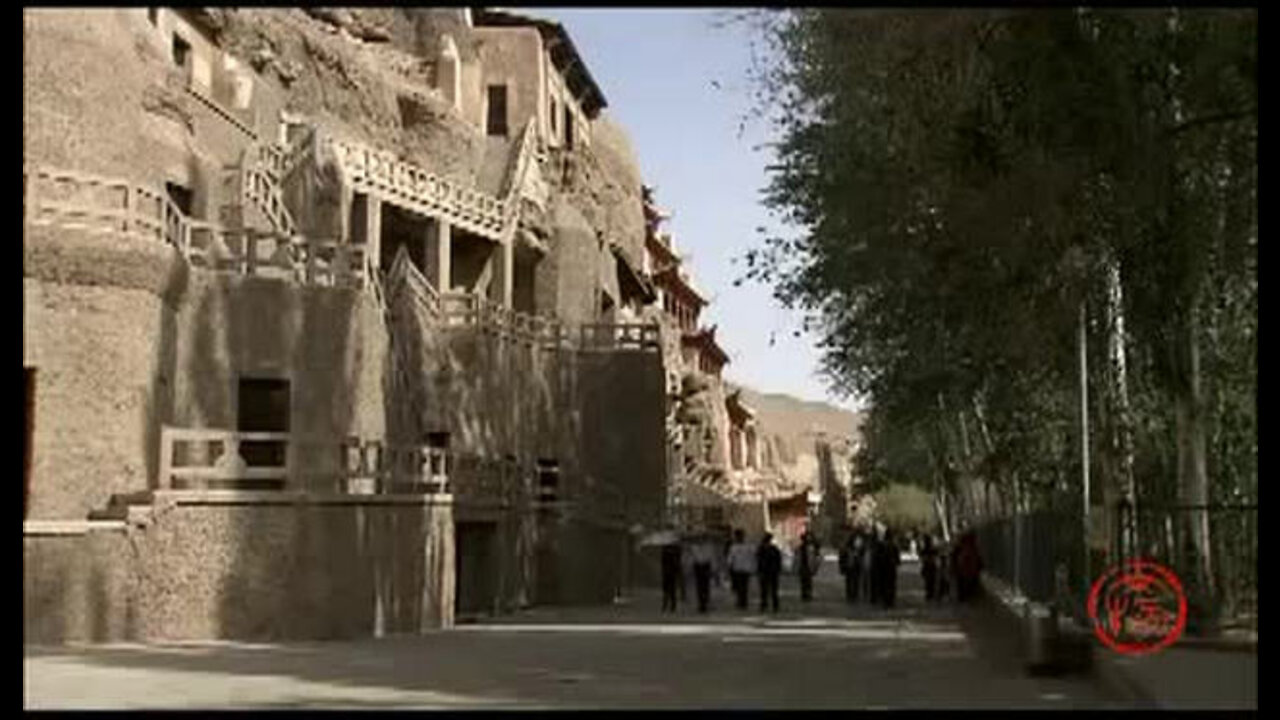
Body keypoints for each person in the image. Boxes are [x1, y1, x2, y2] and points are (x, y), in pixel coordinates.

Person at [727, 529, 756, 610]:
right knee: (743, 586)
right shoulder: (747, 546)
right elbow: (753, 556)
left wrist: (729, 566)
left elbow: (730, 559)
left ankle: (741, 601)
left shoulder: (734, 547)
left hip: (739, 569)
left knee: (740, 586)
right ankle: (743, 601)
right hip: (743, 569)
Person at [690, 531, 717, 613]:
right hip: (698, 566)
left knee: (705, 586)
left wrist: (713, 568)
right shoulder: (694, 547)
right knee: (699, 586)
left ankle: (704, 603)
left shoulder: (709, 547)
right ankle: (701, 603)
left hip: (706, 566)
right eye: (700, 538)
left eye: (703, 538)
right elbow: (692, 558)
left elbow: (712, 558)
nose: (701, 540)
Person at [756, 532, 782, 613]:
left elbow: (758, 560)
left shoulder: (762, 549)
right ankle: (773, 605)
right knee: (771, 590)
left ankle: (766, 605)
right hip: (771, 571)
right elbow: (778, 560)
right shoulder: (773, 549)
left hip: (766, 571)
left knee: (766, 590)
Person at [840, 532, 865, 603]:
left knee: (851, 580)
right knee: (854, 580)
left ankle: (851, 594)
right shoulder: (850, 549)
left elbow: (842, 558)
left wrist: (842, 567)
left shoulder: (847, 548)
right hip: (853, 566)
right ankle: (853, 594)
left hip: (851, 566)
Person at [797, 530, 821, 602]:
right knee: (805, 581)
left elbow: (815, 557)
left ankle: (807, 594)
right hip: (804, 566)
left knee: (808, 581)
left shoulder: (811, 547)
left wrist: (814, 566)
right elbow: (799, 557)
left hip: (808, 566)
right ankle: (805, 594)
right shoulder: (802, 547)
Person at [660, 535, 682, 613]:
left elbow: (677, 560)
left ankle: (670, 604)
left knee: (670, 588)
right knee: (668, 588)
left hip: (670, 570)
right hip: (669, 570)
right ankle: (668, 603)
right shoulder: (669, 549)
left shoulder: (674, 549)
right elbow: (663, 560)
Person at [881, 529, 902, 608]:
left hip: (884, 568)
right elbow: (897, 558)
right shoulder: (894, 545)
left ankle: (886, 600)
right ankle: (890, 600)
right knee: (891, 584)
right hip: (891, 567)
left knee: (885, 584)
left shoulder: (883, 545)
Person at [920, 534, 940, 601]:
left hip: (927, 566)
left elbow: (922, 558)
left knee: (928, 581)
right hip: (931, 566)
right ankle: (931, 593)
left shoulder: (925, 549)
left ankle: (929, 594)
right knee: (932, 580)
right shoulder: (932, 549)